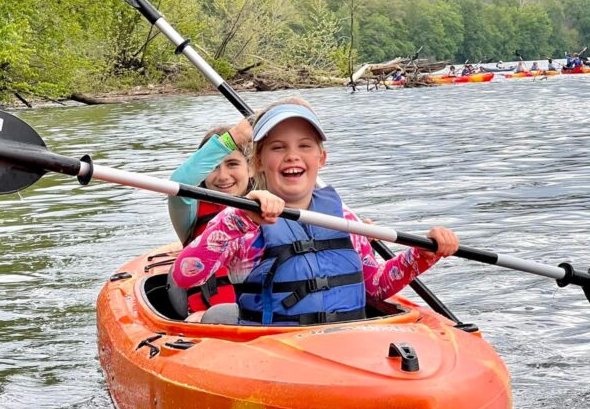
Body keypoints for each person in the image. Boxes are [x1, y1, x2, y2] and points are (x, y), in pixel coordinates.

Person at [171, 99, 459, 326]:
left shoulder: (342, 218)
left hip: (347, 344)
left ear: (321, 158)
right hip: (271, 352)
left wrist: (421, 256)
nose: (292, 155)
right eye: (278, 147)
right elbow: (186, 276)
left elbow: (376, 286)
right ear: (258, 162)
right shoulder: (243, 218)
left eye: (304, 146)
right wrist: (237, 220)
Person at [166, 118, 252, 318]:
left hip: (265, 316)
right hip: (209, 319)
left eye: (232, 164)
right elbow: (180, 182)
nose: (223, 176)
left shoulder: (270, 205)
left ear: (251, 168)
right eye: (214, 167)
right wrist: (234, 138)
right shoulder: (191, 209)